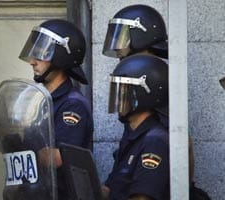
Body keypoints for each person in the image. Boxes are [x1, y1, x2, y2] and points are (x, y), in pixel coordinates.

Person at [102, 4, 195, 183]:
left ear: (141, 34)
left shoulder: (157, 79)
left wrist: (183, 188)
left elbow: (185, 144)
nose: (118, 49)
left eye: (123, 36)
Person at [19, 19, 93, 200]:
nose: (32, 61)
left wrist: (24, 152)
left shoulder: (73, 105)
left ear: (61, 57)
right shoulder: (45, 101)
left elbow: (58, 157)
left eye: (41, 54)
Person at [102, 54, 170, 200]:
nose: (118, 98)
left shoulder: (155, 141)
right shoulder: (132, 134)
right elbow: (111, 189)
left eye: (124, 92)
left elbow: (142, 197)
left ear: (145, 93)